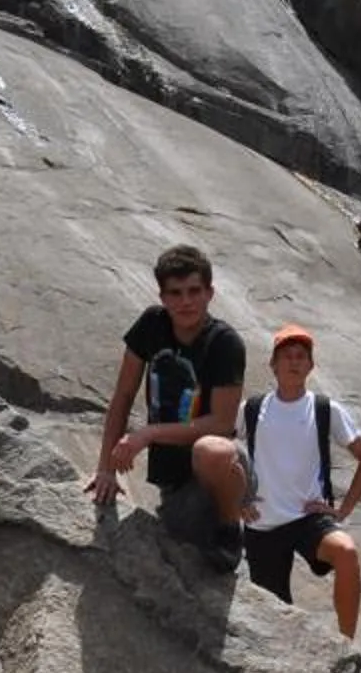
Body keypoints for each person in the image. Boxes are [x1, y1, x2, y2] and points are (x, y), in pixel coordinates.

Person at [89, 243, 252, 570]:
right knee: (187, 541)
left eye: (194, 291)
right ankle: (209, 531)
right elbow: (123, 395)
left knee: (211, 451)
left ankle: (231, 527)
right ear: (162, 297)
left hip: (223, 467)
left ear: (210, 293)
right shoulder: (152, 325)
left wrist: (148, 434)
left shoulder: (224, 343)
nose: (186, 301)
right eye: (175, 293)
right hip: (175, 479)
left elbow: (221, 423)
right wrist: (105, 468)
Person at [240, 324, 361, 639]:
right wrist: (238, 498)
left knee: (346, 552)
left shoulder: (325, 409)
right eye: (286, 356)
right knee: (276, 621)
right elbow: (222, 449)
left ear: (311, 365)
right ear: (273, 365)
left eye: (301, 356)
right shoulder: (251, 409)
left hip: (307, 518)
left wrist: (342, 511)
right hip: (263, 525)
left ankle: (345, 648)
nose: (294, 362)